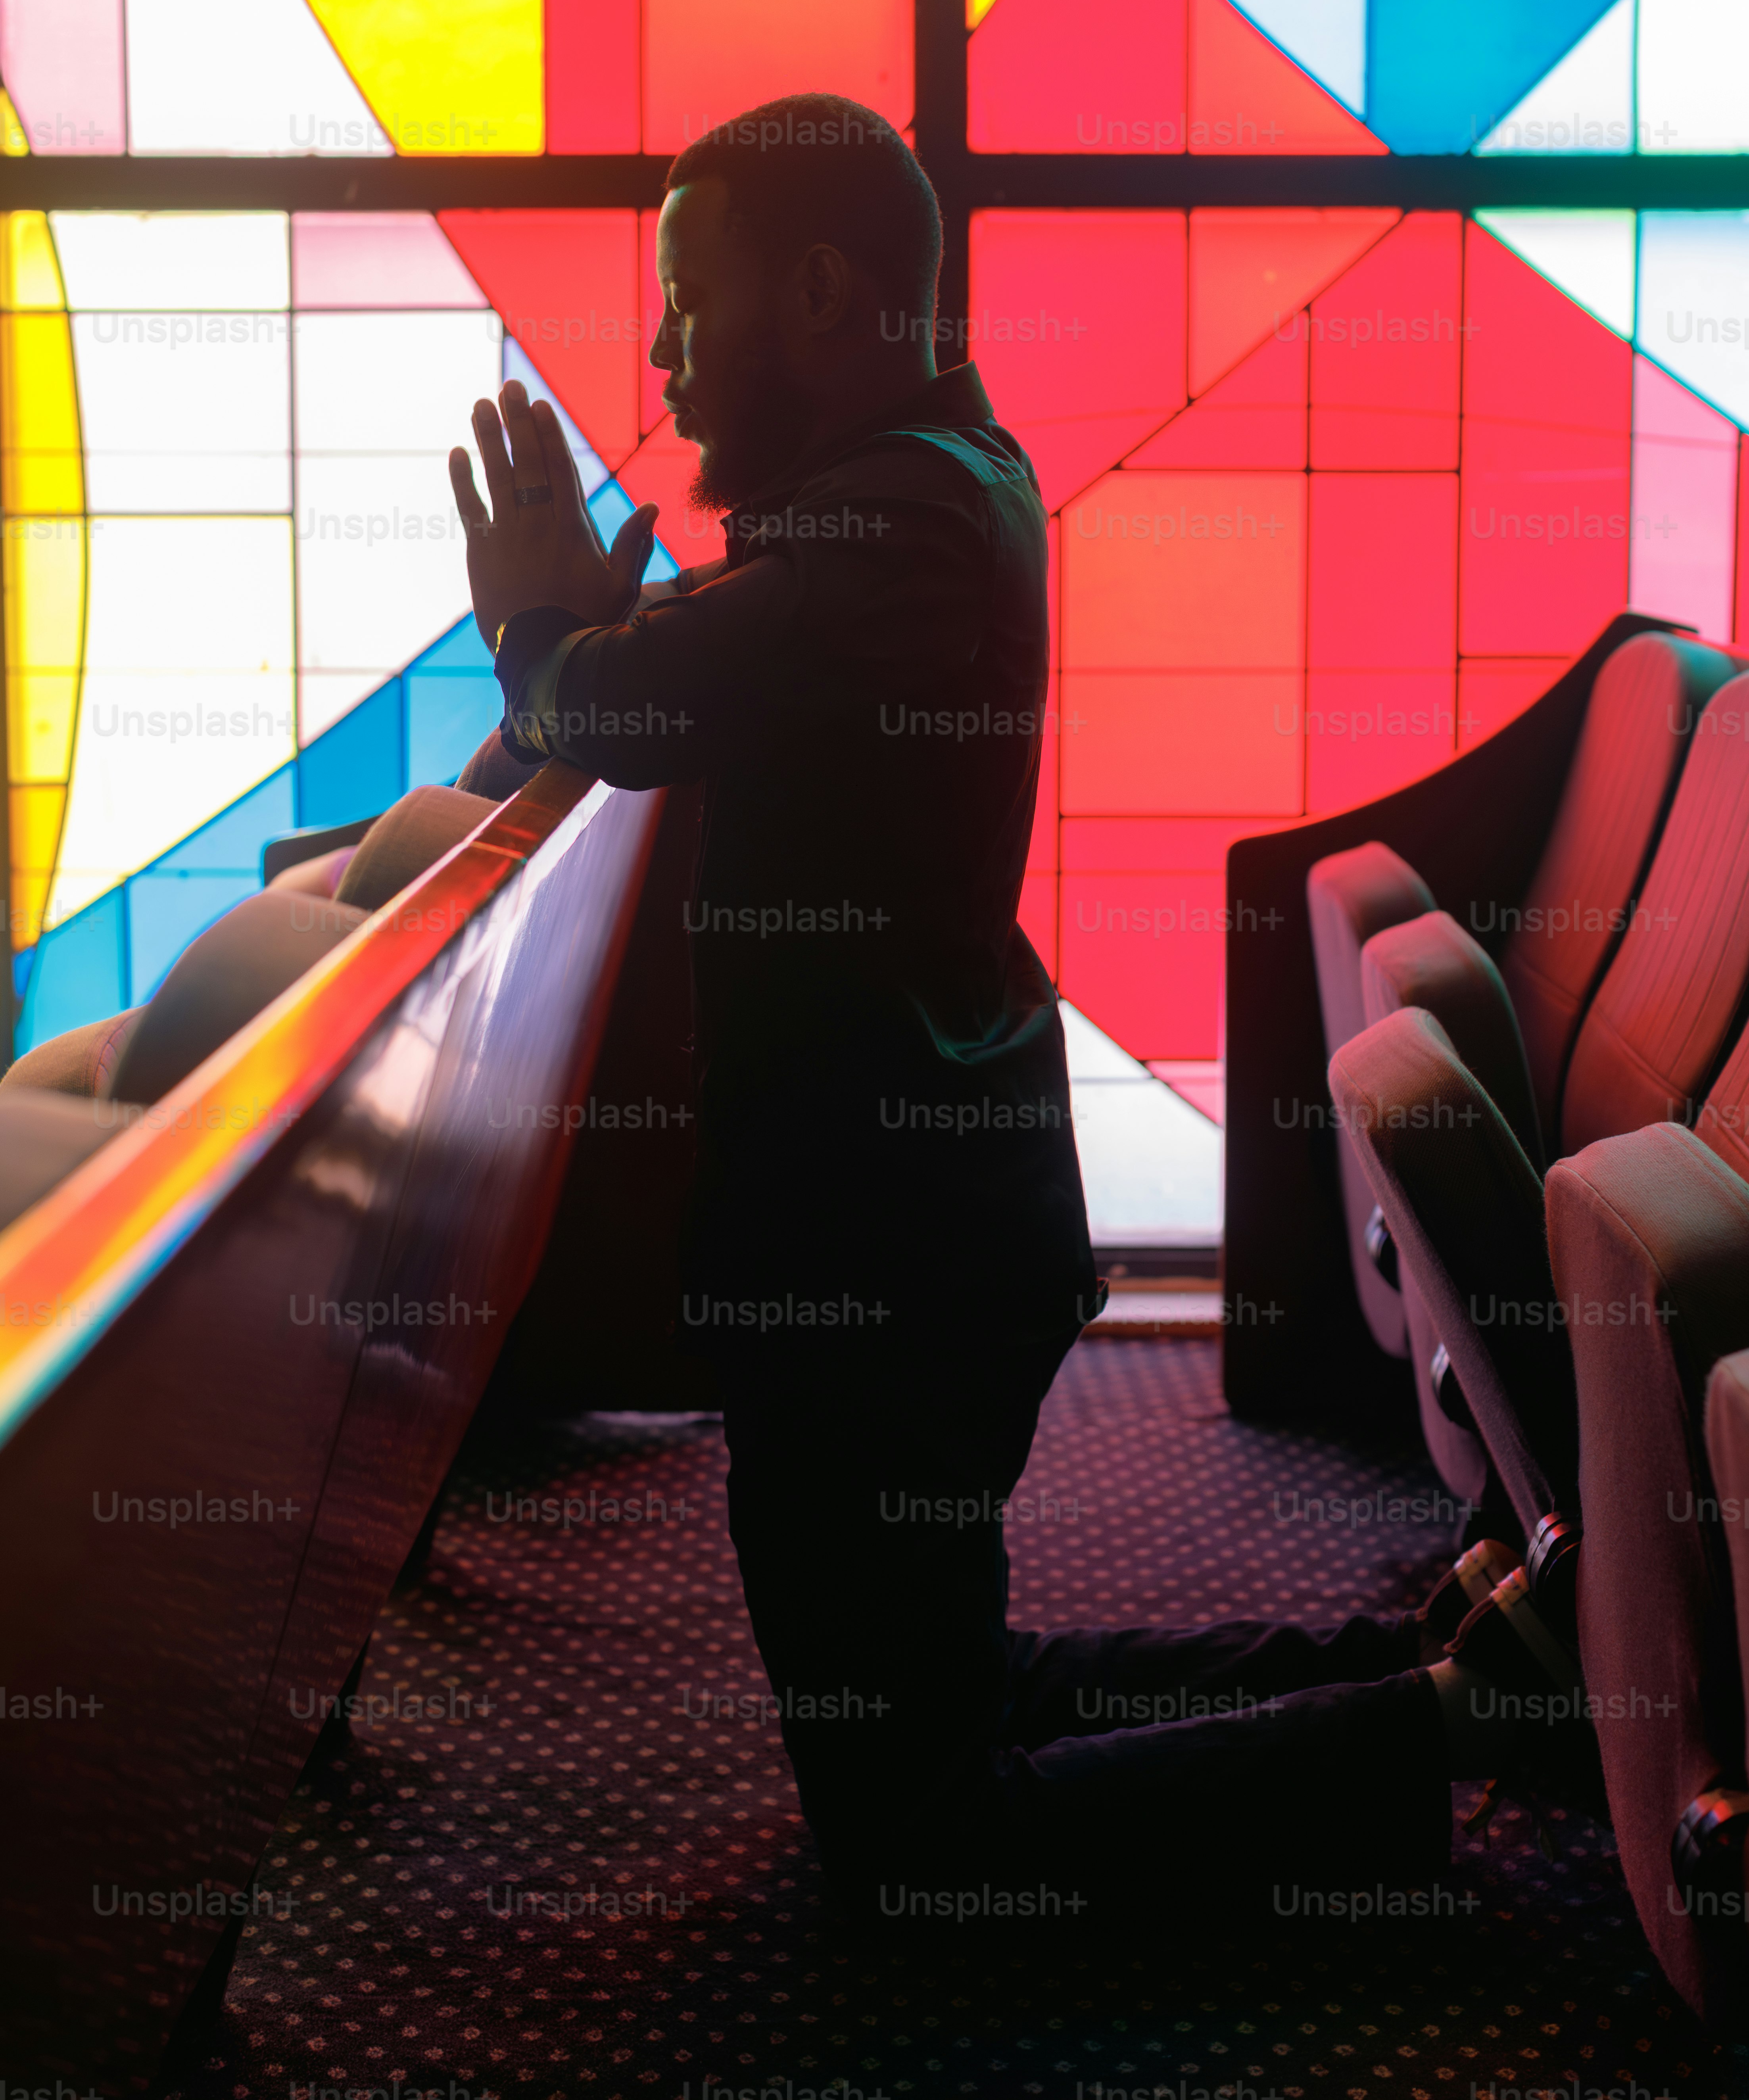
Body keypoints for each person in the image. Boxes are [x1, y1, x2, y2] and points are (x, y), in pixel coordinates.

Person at [449, 92, 1595, 1923]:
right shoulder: (910, 482)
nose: (658, 359)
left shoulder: (897, 521)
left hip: (888, 1253)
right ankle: (1448, 1673)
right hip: (907, 1230)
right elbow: (713, 668)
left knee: (915, 1837)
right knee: (944, 1711)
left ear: (816, 289)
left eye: (685, 299)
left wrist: (536, 635)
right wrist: (597, 641)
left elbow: (665, 696)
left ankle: (1443, 1723)